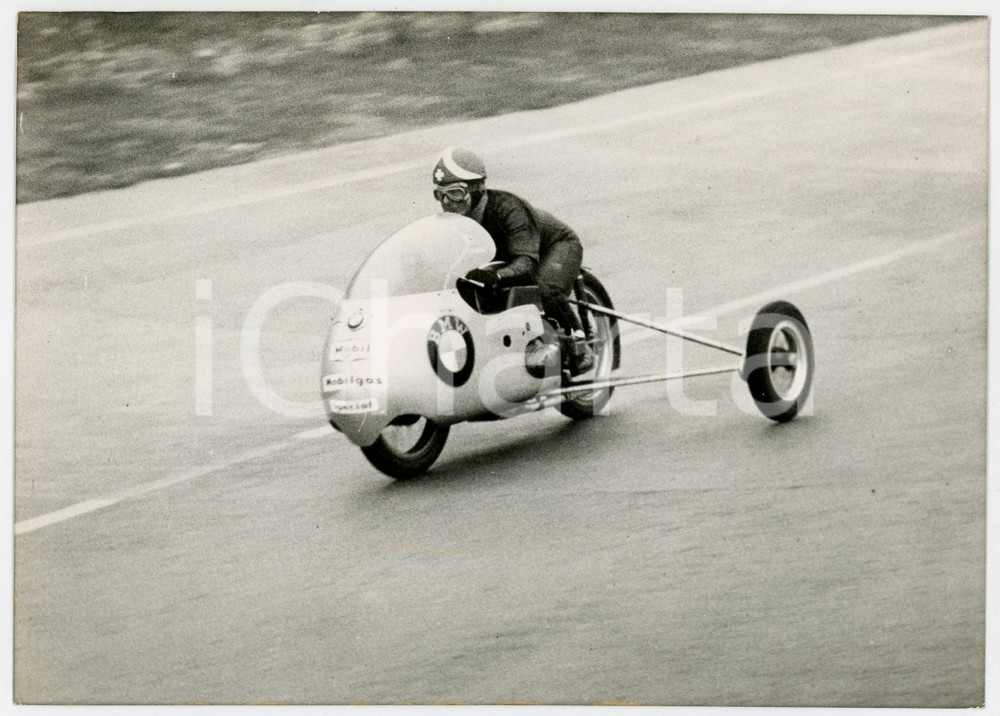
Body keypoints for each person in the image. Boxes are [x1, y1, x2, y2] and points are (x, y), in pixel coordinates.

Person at [432, 146, 594, 375]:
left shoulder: (508, 209)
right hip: (513, 259)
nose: (448, 202)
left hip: (554, 247)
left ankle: (579, 345)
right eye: (440, 194)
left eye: (456, 193)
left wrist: (496, 275)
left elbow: (526, 262)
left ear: (478, 188)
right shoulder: (453, 222)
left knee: (545, 287)